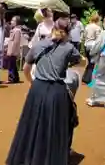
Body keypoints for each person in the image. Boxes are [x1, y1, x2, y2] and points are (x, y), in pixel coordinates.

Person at [6, 18, 81, 165]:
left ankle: (27, 157)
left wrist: (33, 83)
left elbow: (26, 70)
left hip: (37, 88)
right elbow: (81, 61)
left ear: (53, 28)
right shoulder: (69, 48)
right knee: (55, 125)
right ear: (67, 32)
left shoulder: (39, 45)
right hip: (57, 90)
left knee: (31, 124)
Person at [82, 12, 102, 85]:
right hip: (93, 46)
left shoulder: (87, 26)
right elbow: (99, 38)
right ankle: (88, 78)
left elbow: (84, 36)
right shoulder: (97, 28)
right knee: (93, 63)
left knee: (90, 62)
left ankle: (85, 77)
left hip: (86, 45)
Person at [5, 15, 22, 84]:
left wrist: (12, 51)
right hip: (11, 49)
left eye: (13, 20)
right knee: (13, 64)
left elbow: (16, 42)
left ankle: (11, 78)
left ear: (17, 22)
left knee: (11, 65)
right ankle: (15, 78)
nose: (11, 22)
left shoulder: (17, 30)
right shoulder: (13, 30)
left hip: (13, 50)